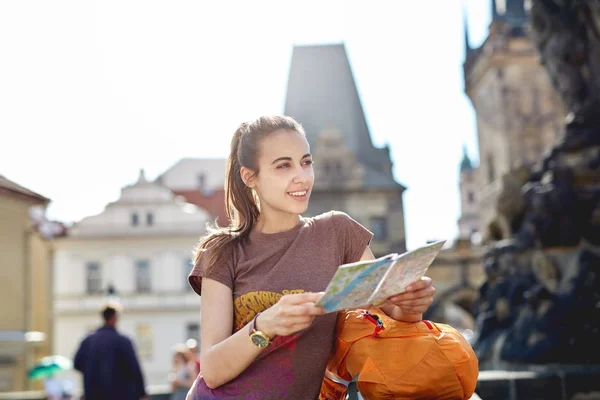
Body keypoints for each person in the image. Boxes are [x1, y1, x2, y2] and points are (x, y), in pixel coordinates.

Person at [187, 115, 437, 400]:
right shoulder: (222, 251)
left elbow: (385, 318)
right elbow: (213, 370)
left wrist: (411, 304)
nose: (302, 176)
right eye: (284, 165)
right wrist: (264, 325)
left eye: (306, 162)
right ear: (250, 176)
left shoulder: (338, 232)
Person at [73, 303, 147, 400]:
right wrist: (142, 393)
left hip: (94, 394)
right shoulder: (122, 341)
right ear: (115, 318)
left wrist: (93, 372)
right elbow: (134, 370)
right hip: (120, 394)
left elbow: (77, 364)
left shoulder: (88, 341)